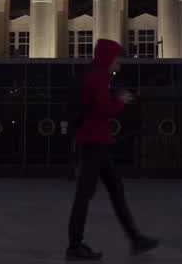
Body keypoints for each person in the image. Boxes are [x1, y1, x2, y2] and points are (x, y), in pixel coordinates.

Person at [65, 39, 160, 260]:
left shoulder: (96, 75)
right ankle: (74, 245)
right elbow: (103, 108)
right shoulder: (97, 77)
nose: (120, 60)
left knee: (114, 190)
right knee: (85, 194)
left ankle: (135, 239)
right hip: (93, 141)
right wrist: (120, 101)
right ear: (108, 57)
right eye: (117, 56)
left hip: (97, 141)